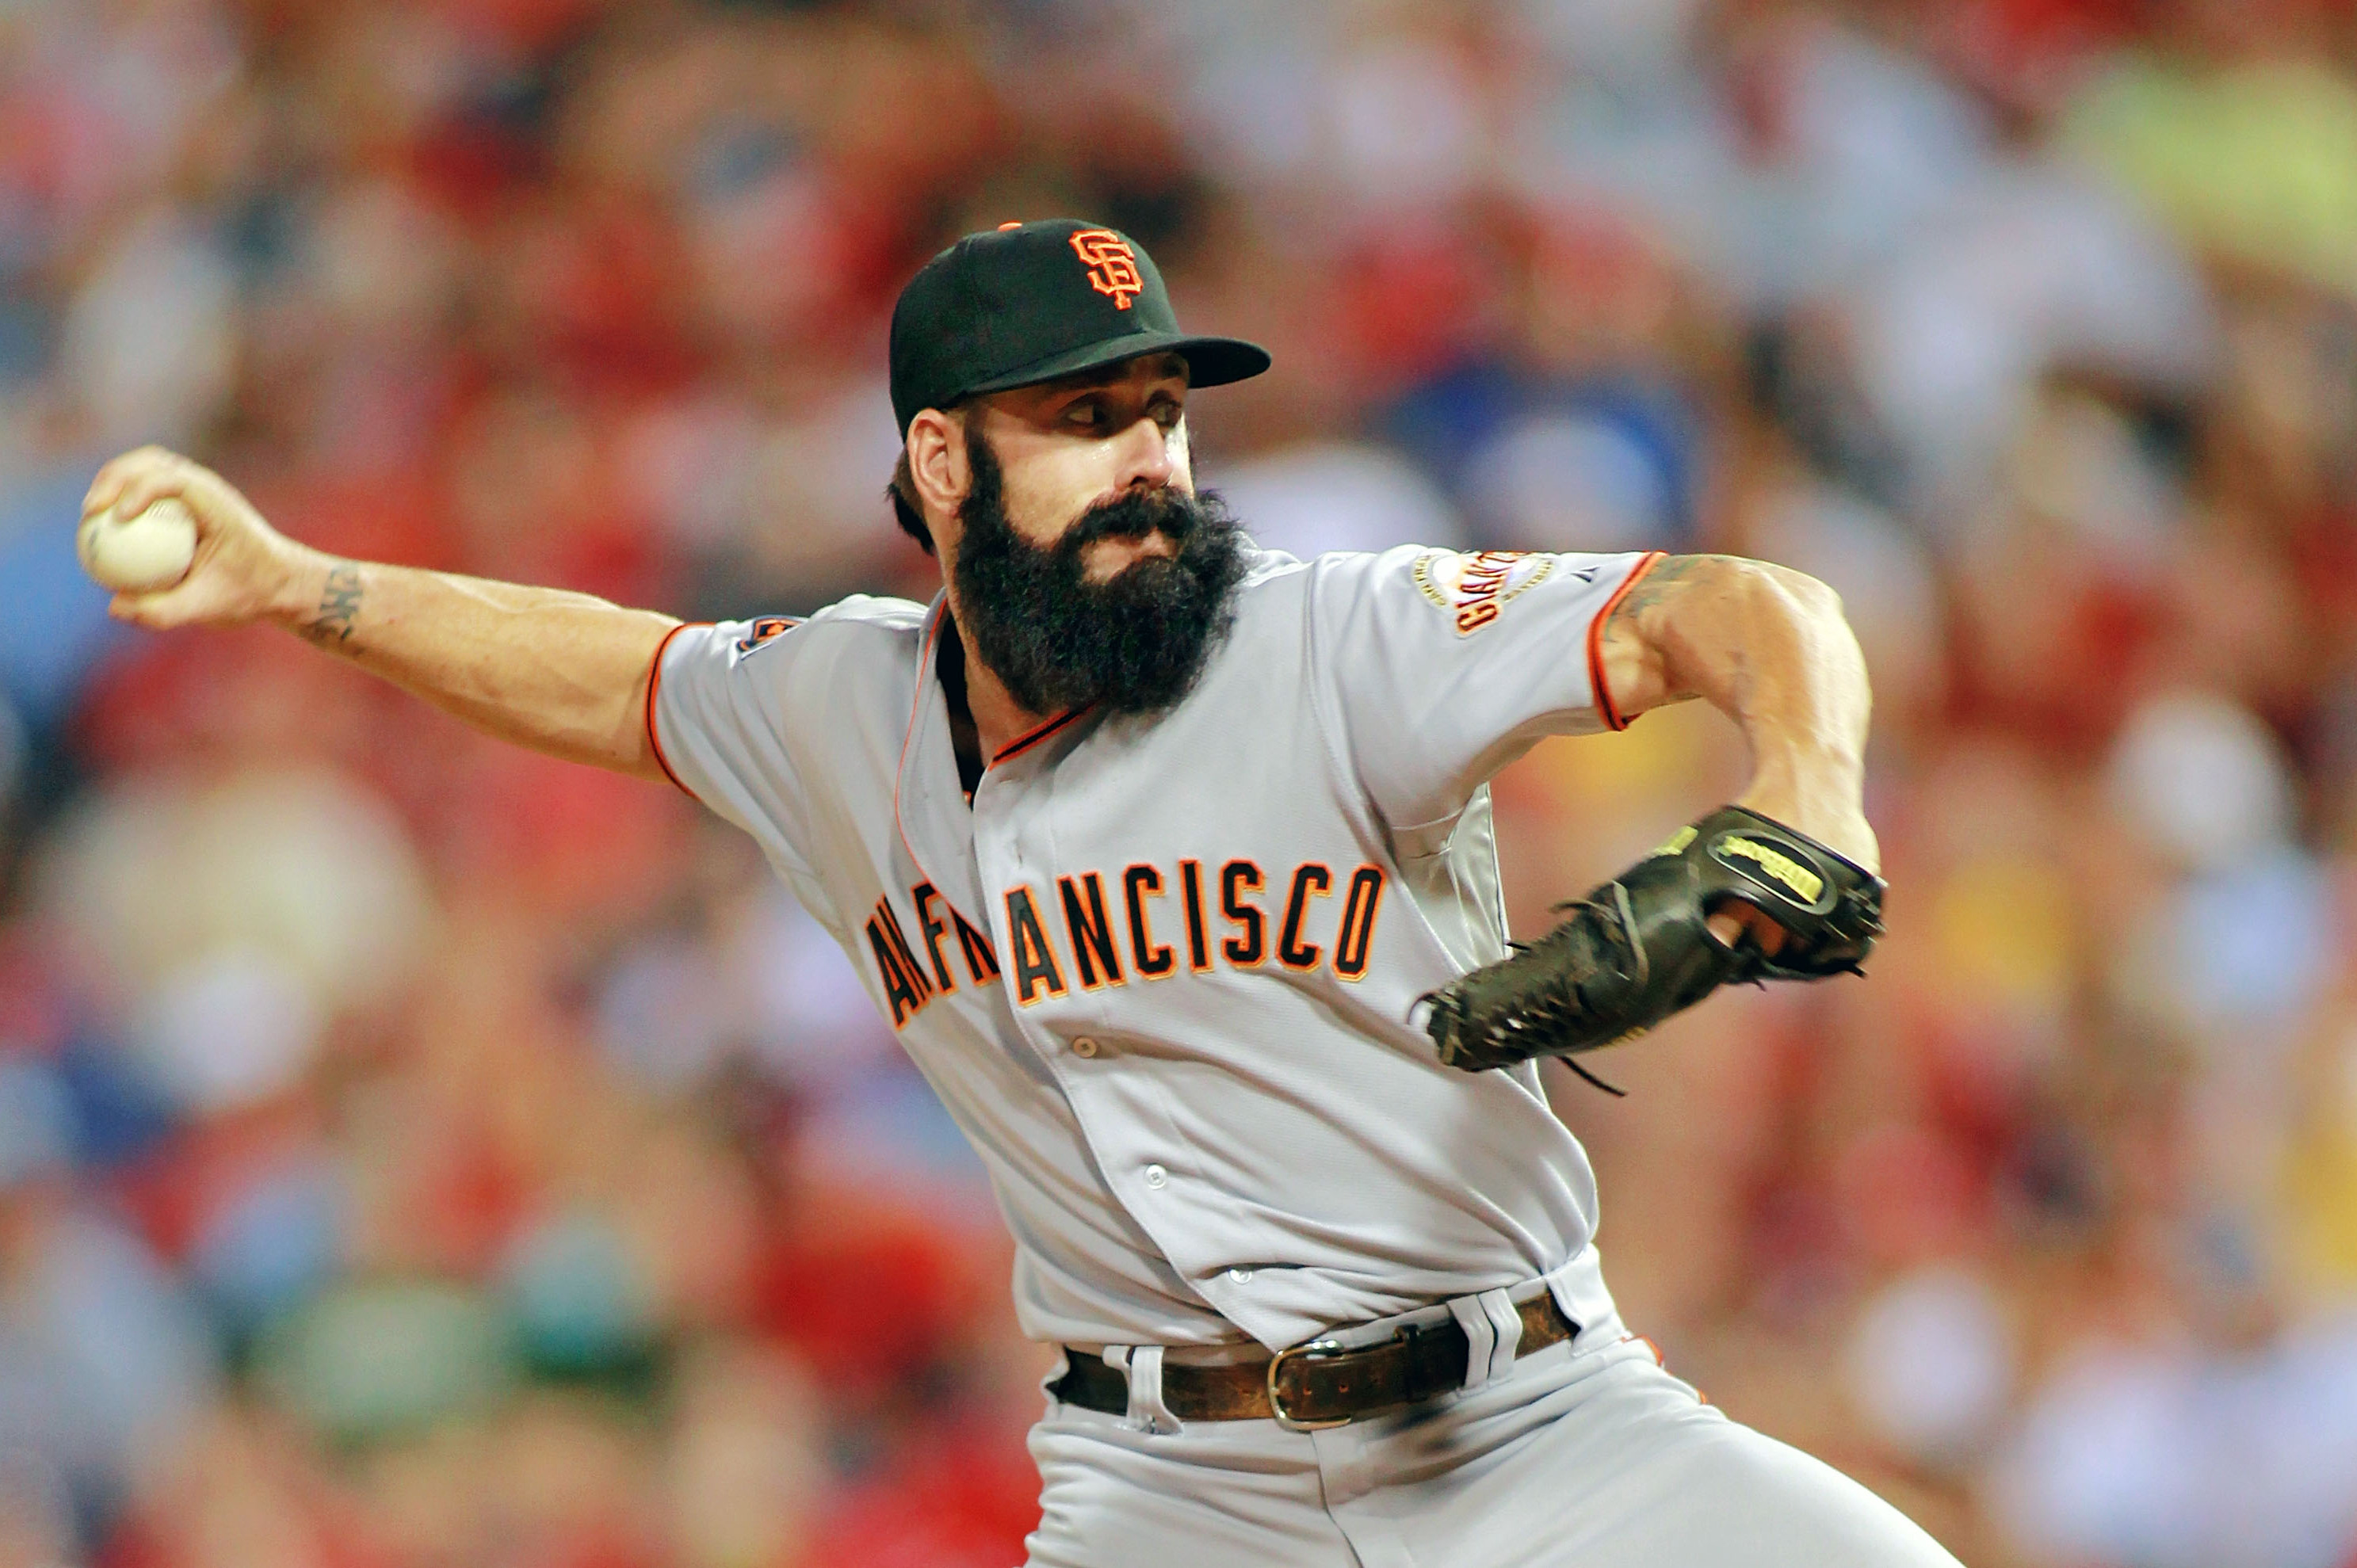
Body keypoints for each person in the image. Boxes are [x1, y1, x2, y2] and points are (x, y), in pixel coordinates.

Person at [83, 219, 1962, 1566]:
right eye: (1082, 418)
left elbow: (1736, 605)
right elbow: (604, 670)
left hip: (1541, 1437)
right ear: (938, 457)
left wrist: (1808, 785)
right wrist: (293, 586)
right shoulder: (835, 711)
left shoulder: (1330, 640)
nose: (1150, 456)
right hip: (1167, 1501)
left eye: (1164, 408)